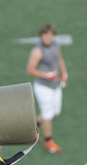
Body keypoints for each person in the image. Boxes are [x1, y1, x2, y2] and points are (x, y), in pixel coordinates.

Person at [26, 23, 68, 154]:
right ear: (41, 36)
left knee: (54, 111)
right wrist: (46, 75)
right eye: (45, 34)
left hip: (55, 85)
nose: (48, 37)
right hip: (43, 87)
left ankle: (34, 127)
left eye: (50, 35)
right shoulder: (37, 51)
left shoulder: (56, 45)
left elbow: (59, 59)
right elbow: (30, 70)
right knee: (48, 114)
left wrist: (64, 72)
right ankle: (49, 141)